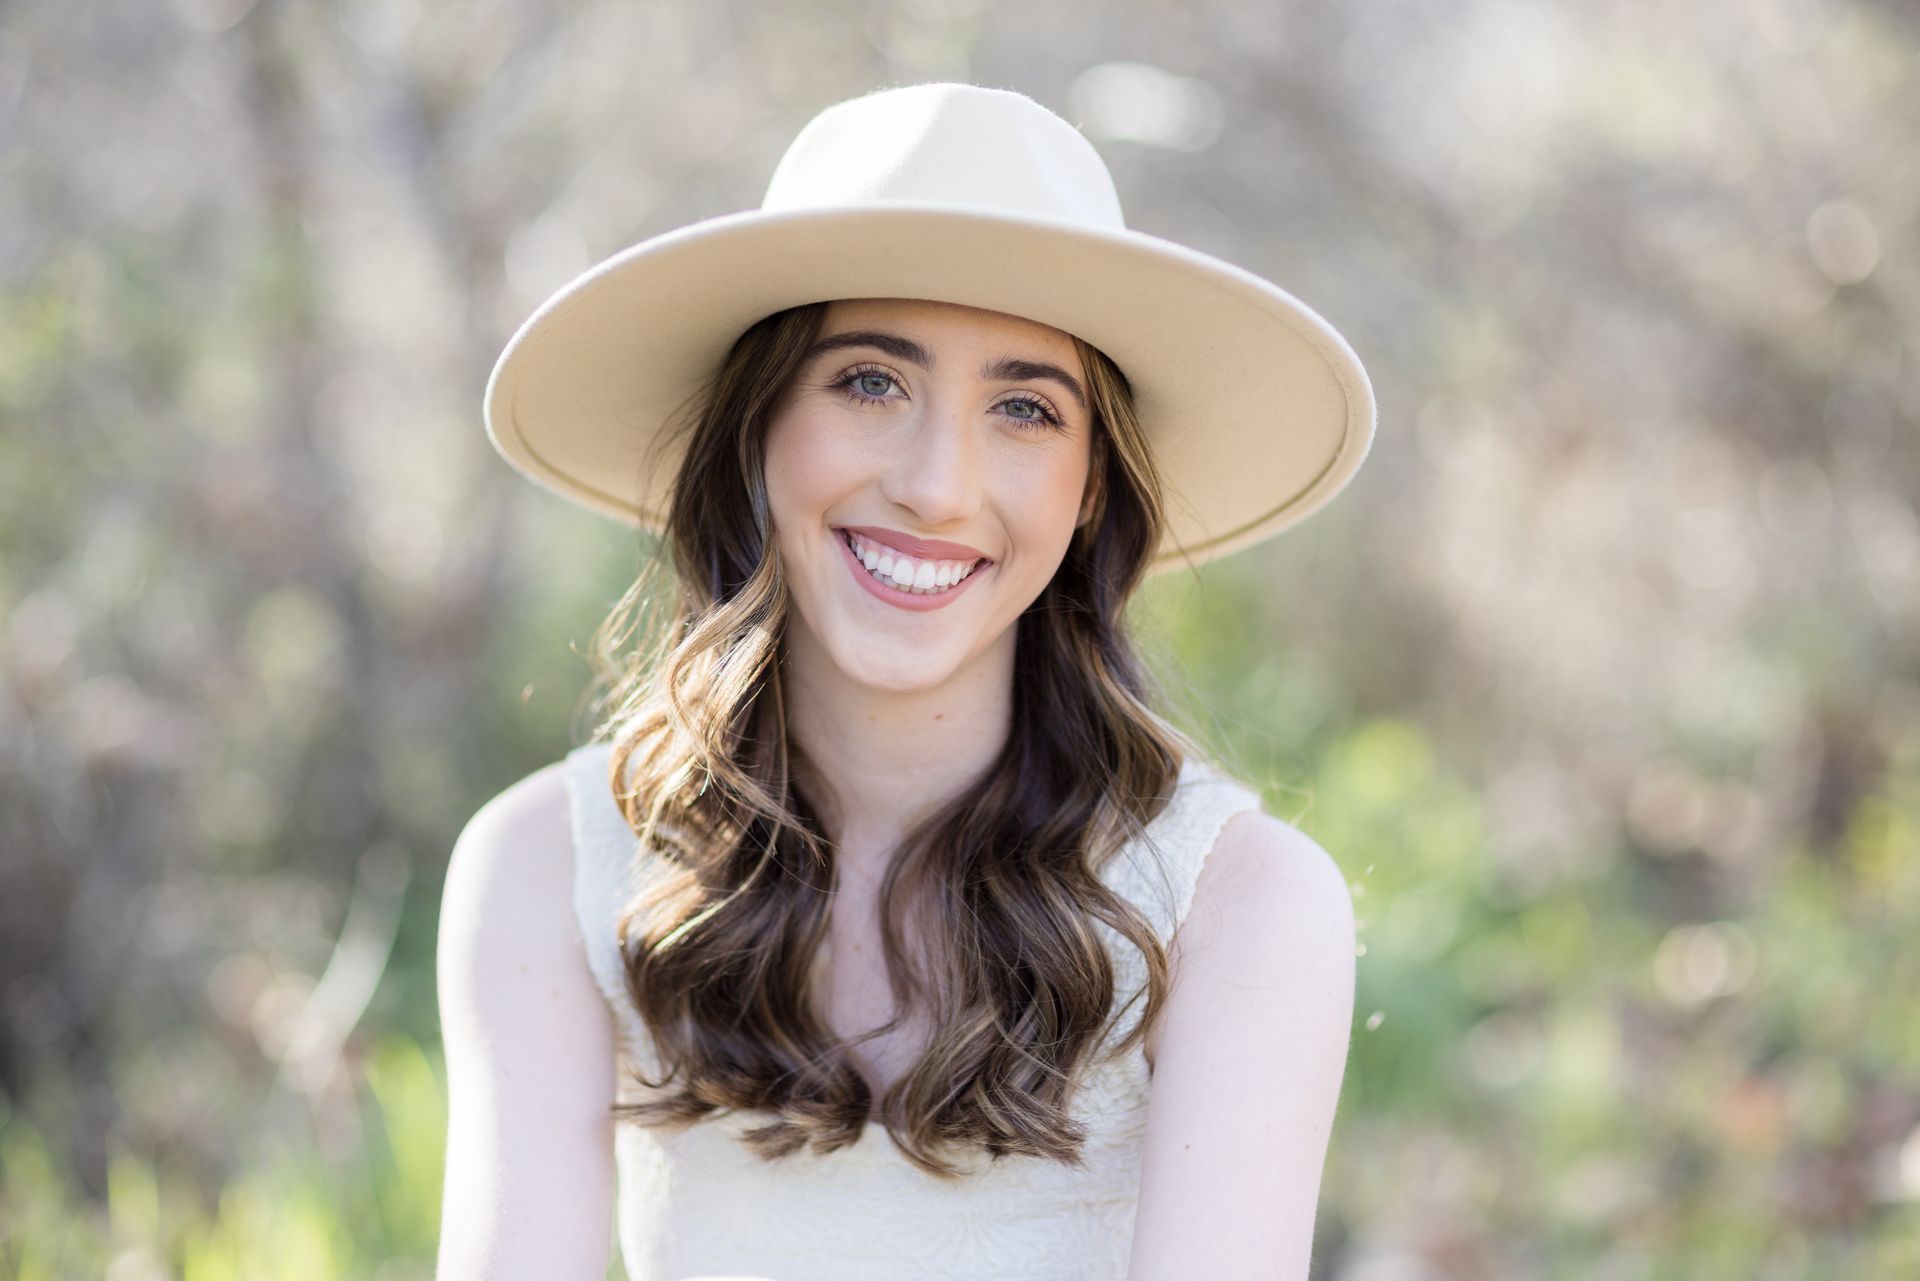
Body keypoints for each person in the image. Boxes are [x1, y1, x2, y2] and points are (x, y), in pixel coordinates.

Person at [435, 82, 1375, 1281]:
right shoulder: (547, 869)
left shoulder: (1235, 907)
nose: (938, 484)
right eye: (870, 382)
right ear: (757, 429)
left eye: (1027, 408)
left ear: (1091, 491)